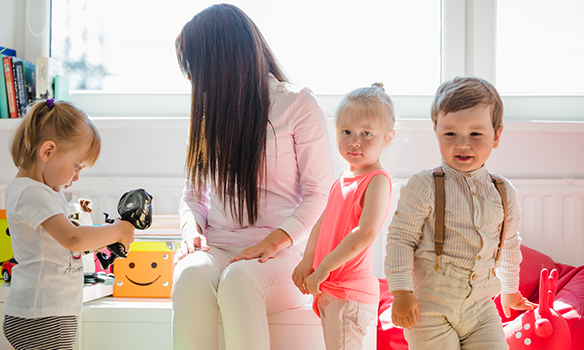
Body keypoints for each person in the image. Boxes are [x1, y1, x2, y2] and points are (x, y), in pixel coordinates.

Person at [171, 4, 335, 350]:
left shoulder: (296, 104)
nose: (193, 80)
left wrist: (273, 241)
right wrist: (191, 233)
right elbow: (192, 195)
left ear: (221, 62)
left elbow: (319, 193)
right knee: (189, 274)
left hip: (282, 255)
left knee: (238, 281)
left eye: (196, 68)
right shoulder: (207, 113)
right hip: (217, 246)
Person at [385, 76, 536, 349]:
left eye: (475, 134)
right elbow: (400, 239)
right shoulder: (425, 184)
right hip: (430, 305)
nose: (462, 143)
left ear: (496, 135)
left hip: (480, 307)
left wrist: (510, 292)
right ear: (436, 131)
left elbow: (509, 244)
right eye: (451, 133)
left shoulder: (504, 192)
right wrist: (401, 291)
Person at [3, 99, 135, 350]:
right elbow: (72, 239)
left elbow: (67, 244)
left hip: (48, 311)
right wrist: (117, 230)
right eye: (76, 166)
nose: (76, 177)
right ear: (47, 151)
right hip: (41, 315)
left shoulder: (43, 191)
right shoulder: (32, 192)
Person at [292, 83, 396, 350]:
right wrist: (307, 262)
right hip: (331, 288)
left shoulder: (377, 181)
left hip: (349, 292)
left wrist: (323, 268)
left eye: (366, 134)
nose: (354, 141)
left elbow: (365, 233)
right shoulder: (343, 180)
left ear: (388, 137)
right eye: (346, 132)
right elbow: (321, 223)